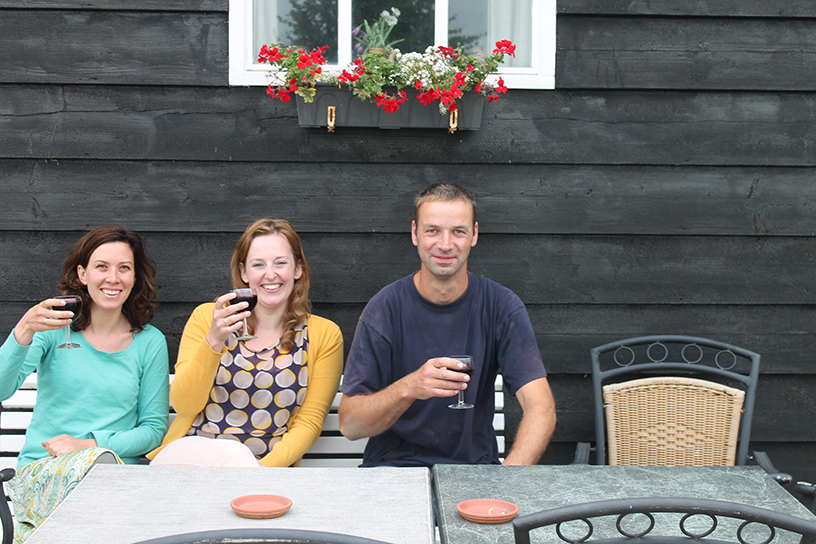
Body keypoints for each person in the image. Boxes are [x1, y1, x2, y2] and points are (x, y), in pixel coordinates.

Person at [339, 182, 556, 467]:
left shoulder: (501, 305)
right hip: (393, 472)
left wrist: (508, 480)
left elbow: (541, 407)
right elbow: (350, 426)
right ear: (414, 233)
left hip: (473, 474)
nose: (445, 244)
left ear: (474, 235)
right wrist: (410, 387)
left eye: (458, 231)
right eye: (432, 230)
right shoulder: (384, 308)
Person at [0, 226, 169, 541]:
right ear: (82, 274)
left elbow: (152, 430)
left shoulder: (149, 342)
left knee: (100, 475)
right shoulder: (53, 328)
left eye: (124, 268)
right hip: (44, 473)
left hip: (114, 478)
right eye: (102, 267)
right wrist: (23, 329)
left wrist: (90, 445)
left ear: (134, 278)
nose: (113, 278)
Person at [148, 218, 343, 467]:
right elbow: (185, 404)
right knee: (235, 455)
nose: (270, 274)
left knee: (239, 461)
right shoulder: (208, 318)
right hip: (190, 460)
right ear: (244, 272)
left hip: (261, 471)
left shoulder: (325, 335)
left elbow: (309, 422)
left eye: (280, 263)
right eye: (258, 264)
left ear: (298, 269)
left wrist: (261, 472)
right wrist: (214, 341)